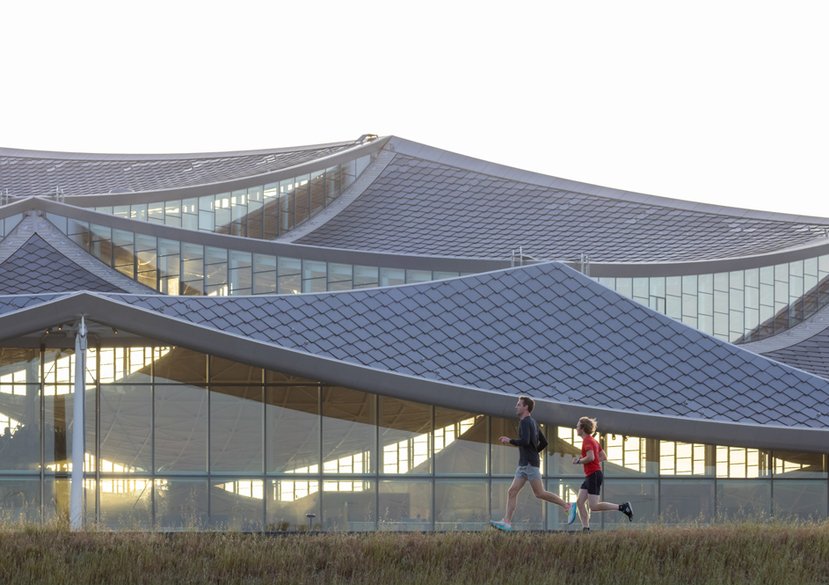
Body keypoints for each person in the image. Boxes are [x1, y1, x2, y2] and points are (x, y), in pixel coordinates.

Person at [490, 395, 573, 531]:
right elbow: (544, 442)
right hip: (525, 464)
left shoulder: (525, 422)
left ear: (525, 407)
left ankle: (567, 506)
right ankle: (507, 522)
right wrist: (535, 453)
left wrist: (509, 440)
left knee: (539, 493)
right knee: (512, 491)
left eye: (518, 404)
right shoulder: (533, 422)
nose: (516, 407)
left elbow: (526, 441)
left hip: (528, 464)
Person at [570, 416, 633, 531]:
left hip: (593, 475)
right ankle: (585, 529)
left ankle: (623, 507)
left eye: (577, 426)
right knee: (580, 502)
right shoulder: (593, 440)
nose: (576, 428)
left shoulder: (587, 441)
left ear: (582, 428)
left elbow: (591, 457)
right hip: (591, 475)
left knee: (593, 506)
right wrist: (589, 460)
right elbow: (603, 457)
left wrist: (579, 461)